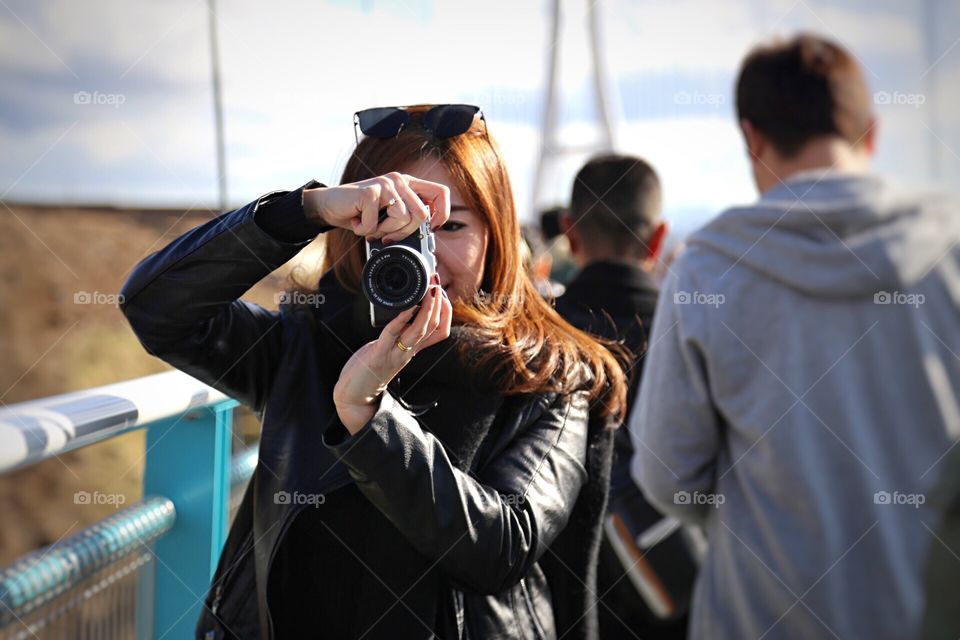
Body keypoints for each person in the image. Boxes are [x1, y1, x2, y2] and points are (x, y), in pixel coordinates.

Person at [120, 104, 628, 640]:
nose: (425, 254)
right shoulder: (306, 344)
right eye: (395, 222)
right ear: (351, 229)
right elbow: (156, 309)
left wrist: (370, 419)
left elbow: (502, 547)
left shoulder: (547, 374)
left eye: (450, 226)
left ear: (495, 235)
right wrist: (303, 209)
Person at [630, 33, 960, 639]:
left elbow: (664, 474)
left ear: (752, 138)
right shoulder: (950, 255)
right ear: (874, 134)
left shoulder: (707, 271)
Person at [555, 154, 691, 639]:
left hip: (563, 605)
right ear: (658, 238)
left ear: (570, 232)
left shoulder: (535, 339)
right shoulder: (697, 335)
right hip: (678, 591)